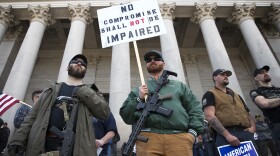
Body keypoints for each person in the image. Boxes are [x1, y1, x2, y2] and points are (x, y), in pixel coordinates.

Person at [8, 54, 110, 156]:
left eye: (83, 63)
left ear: (85, 71)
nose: (79, 63)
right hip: (43, 145)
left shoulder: (91, 92)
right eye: (75, 61)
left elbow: (104, 113)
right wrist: (18, 140)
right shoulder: (50, 91)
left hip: (77, 148)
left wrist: (84, 91)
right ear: (67, 67)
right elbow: (31, 117)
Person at [120, 50, 204, 156]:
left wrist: (193, 132)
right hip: (148, 139)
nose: (152, 61)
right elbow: (126, 116)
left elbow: (195, 108)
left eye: (157, 59)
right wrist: (139, 99)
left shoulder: (179, 86)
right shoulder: (138, 90)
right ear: (146, 65)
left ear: (163, 63)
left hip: (179, 138)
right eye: (149, 60)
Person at [202, 69, 256, 148]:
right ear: (215, 77)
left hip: (246, 133)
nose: (226, 76)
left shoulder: (237, 95)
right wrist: (227, 135)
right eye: (222, 74)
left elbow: (247, 113)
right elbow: (209, 116)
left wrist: (253, 129)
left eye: (227, 75)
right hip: (225, 135)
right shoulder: (210, 94)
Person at [250, 65, 280, 155]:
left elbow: (268, 102)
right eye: (262, 72)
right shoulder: (255, 92)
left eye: (266, 71)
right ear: (256, 78)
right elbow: (264, 103)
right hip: (276, 125)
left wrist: (273, 101)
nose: (265, 73)